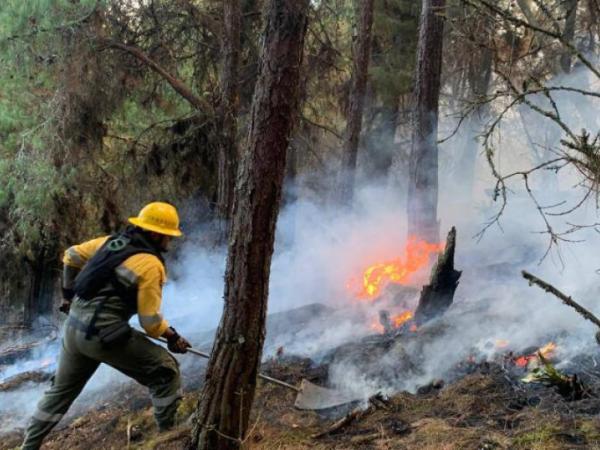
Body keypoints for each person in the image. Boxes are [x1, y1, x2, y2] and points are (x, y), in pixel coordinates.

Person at [22, 202, 191, 450]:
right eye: (168, 236)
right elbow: (151, 323)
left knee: (59, 394)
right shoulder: (151, 265)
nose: (169, 242)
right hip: (102, 335)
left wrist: (67, 295)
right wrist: (173, 336)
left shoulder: (111, 243)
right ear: (156, 234)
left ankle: (28, 446)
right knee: (166, 372)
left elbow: (71, 255)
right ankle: (171, 438)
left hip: (73, 329)